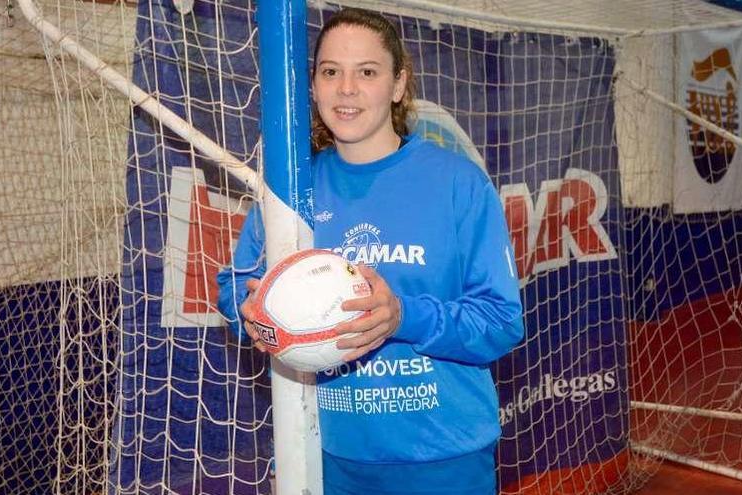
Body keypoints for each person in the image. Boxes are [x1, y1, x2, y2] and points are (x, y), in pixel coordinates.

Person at [217, 7, 523, 495]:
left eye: (367, 72)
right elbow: (237, 283)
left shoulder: (457, 183)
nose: (346, 89)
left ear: (398, 84)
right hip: (330, 457)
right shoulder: (292, 189)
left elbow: (502, 322)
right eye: (331, 71)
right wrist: (251, 312)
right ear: (312, 85)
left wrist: (402, 315)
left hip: (442, 458)